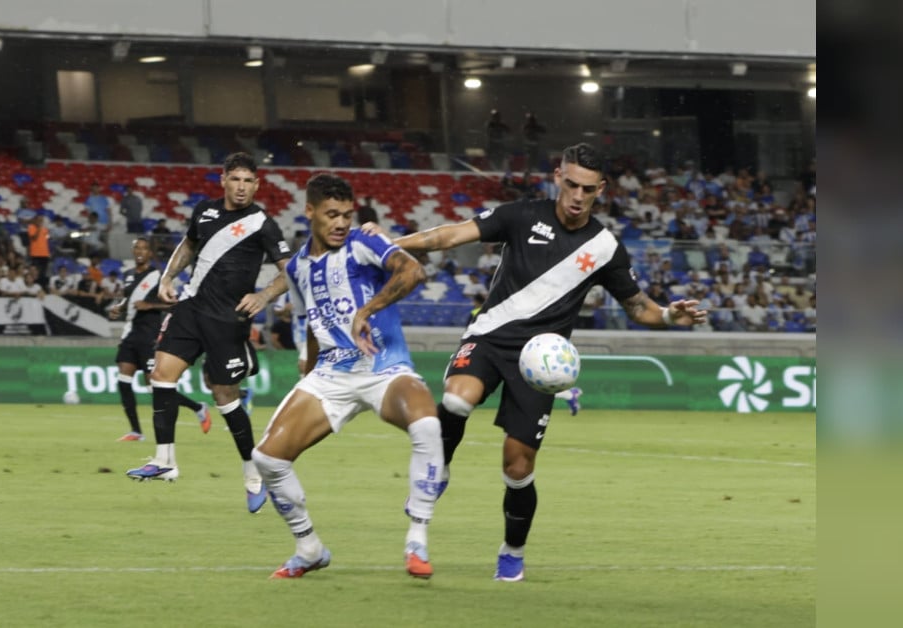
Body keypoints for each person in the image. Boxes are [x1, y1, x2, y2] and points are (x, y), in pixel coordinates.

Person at [368, 143, 706, 581]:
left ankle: (512, 549)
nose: (577, 195)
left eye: (587, 188)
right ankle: (441, 464)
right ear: (557, 177)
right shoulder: (521, 215)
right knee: (456, 399)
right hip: (489, 338)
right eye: (570, 184)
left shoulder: (604, 248)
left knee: (518, 466)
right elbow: (448, 235)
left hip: (540, 364)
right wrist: (384, 249)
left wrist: (667, 315)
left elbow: (638, 306)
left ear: (600, 189)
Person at [252, 173, 444, 579]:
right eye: (331, 214)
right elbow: (308, 319)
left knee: (427, 424)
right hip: (330, 375)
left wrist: (367, 310)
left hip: (383, 367)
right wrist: (308, 362)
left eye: (346, 214)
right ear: (310, 212)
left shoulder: (362, 242)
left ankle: (417, 538)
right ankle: (309, 548)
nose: (341, 223)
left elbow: (412, 272)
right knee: (267, 458)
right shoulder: (299, 266)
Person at [125, 152, 292, 515]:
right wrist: (168, 277)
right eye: (236, 180)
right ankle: (165, 459)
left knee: (224, 395)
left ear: (257, 184)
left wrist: (264, 295)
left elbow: (289, 270)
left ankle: (253, 472)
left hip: (228, 320)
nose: (242, 187)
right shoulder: (204, 212)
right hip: (191, 308)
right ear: (223, 180)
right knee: (161, 375)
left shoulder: (263, 223)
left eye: (249, 181)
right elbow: (188, 245)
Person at [108, 238, 210, 442]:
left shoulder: (158, 277)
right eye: (136, 247)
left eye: (144, 248)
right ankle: (136, 431)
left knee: (154, 387)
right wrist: (119, 307)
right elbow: (129, 299)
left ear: (150, 254)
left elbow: (174, 303)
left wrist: (150, 305)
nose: (139, 251)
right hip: (130, 334)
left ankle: (198, 407)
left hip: (149, 336)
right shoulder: (128, 276)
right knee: (123, 380)